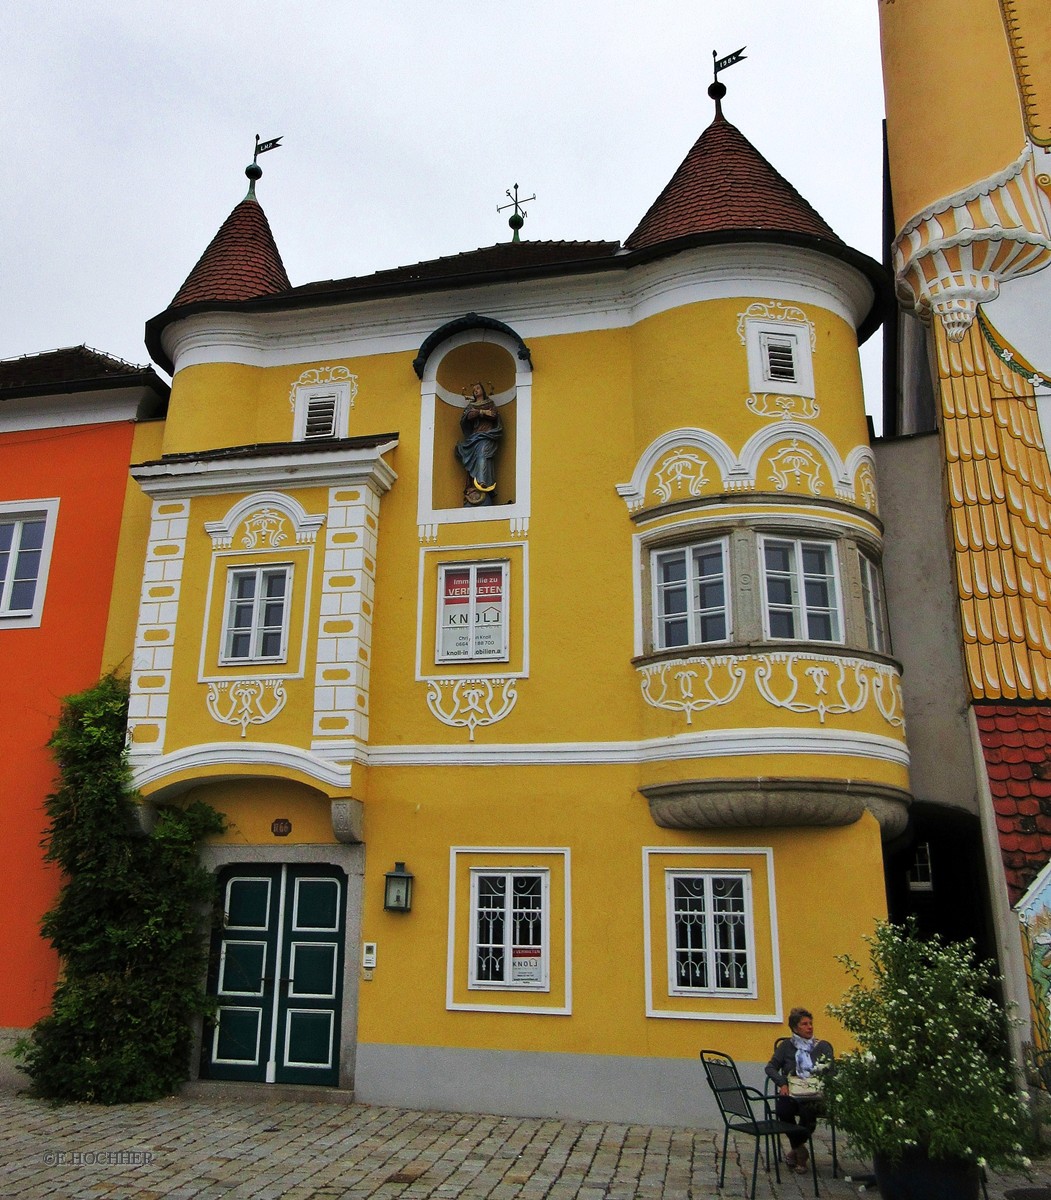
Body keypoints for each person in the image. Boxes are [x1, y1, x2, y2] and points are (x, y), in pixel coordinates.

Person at [764, 1007, 833, 1174]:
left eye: (810, 1023)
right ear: (795, 1028)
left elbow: (832, 1070)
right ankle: (800, 1149)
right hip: (793, 1093)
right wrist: (782, 1084)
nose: (810, 1027)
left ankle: (796, 1151)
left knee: (809, 1114)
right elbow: (771, 1067)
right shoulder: (786, 1046)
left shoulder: (823, 1046)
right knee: (783, 1109)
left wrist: (824, 1080)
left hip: (815, 1095)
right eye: (804, 1024)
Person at [455, 382, 503, 506]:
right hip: (474, 437)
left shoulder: (490, 403)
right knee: (474, 460)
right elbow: (468, 416)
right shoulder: (471, 406)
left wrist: (481, 412)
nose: (476, 390)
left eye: (478, 388)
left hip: (486, 436)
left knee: (483, 456)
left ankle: (483, 483)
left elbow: (493, 415)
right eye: (474, 389)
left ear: (483, 390)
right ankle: (473, 486)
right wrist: (482, 412)